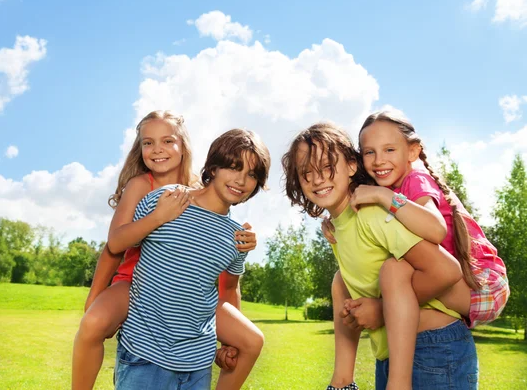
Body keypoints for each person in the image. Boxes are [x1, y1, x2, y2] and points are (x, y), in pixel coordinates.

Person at [72, 112, 263, 390]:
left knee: (250, 340)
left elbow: (217, 263)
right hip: (135, 280)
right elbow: (113, 247)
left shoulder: (203, 189)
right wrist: (95, 296)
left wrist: (244, 241)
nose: (158, 149)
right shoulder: (141, 185)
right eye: (148, 143)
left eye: (167, 141)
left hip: (190, 295)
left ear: (184, 146)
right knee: (94, 323)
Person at [281, 122, 478, 390]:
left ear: (351, 166)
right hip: (392, 355)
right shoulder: (339, 226)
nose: (318, 179)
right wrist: (341, 382)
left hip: (434, 348)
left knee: (392, 270)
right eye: (307, 173)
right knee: (340, 281)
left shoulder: (372, 214)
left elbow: (446, 271)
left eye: (327, 167)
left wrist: (380, 310)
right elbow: (348, 296)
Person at [328, 111, 509, 388]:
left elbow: (436, 229)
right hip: (461, 290)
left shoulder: (415, 181)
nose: (379, 160)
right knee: (371, 273)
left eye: (390, 149)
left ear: (413, 151)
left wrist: (384, 196)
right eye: (369, 152)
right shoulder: (386, 187)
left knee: (393, 271)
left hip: (485, 284)